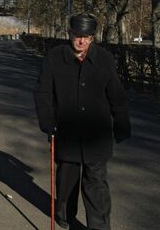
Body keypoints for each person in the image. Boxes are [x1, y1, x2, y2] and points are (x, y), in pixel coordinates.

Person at [34, 13, 131, 230]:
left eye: (86, 37)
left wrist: (122, 122)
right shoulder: (55, 57)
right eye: (78, 36)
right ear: (69, 34)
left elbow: (116, 93)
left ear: (92, 38)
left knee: (96, 184)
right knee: (66, 182)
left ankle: (99, 225)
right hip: (65, 133)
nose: (81, 41)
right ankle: (65, 215)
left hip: (97, 134)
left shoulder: (104, 58)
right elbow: (43, 93)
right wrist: (47, 121)